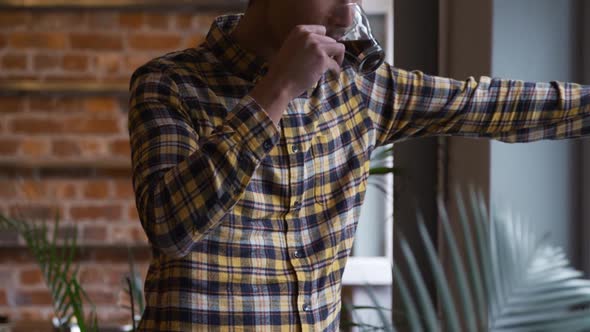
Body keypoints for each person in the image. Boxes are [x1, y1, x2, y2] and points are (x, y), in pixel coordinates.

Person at [127, 0, 590, 330]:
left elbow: (486, 103)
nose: (347, 15)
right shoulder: (169, 84)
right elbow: (171, 225)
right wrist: (276, 92)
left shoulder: (362, 91)